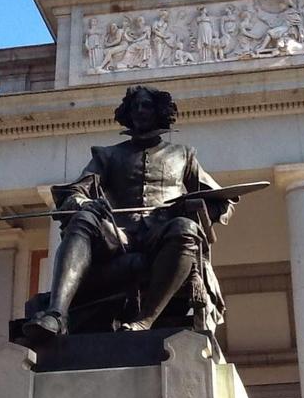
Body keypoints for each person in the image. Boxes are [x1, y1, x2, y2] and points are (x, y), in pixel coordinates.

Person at [23, 86, 233, 341]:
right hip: (118, 236)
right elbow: (73, 193)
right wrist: (83, 203)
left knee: (184, 228)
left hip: (161, 236)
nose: (140, 111)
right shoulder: (109, 155)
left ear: (159, 112)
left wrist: (195, 206)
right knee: (84, 218)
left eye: (146, 106)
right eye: (135, 107)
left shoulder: (183, 155)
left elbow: (222, 202)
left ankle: (145, 319)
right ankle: (56, 316)